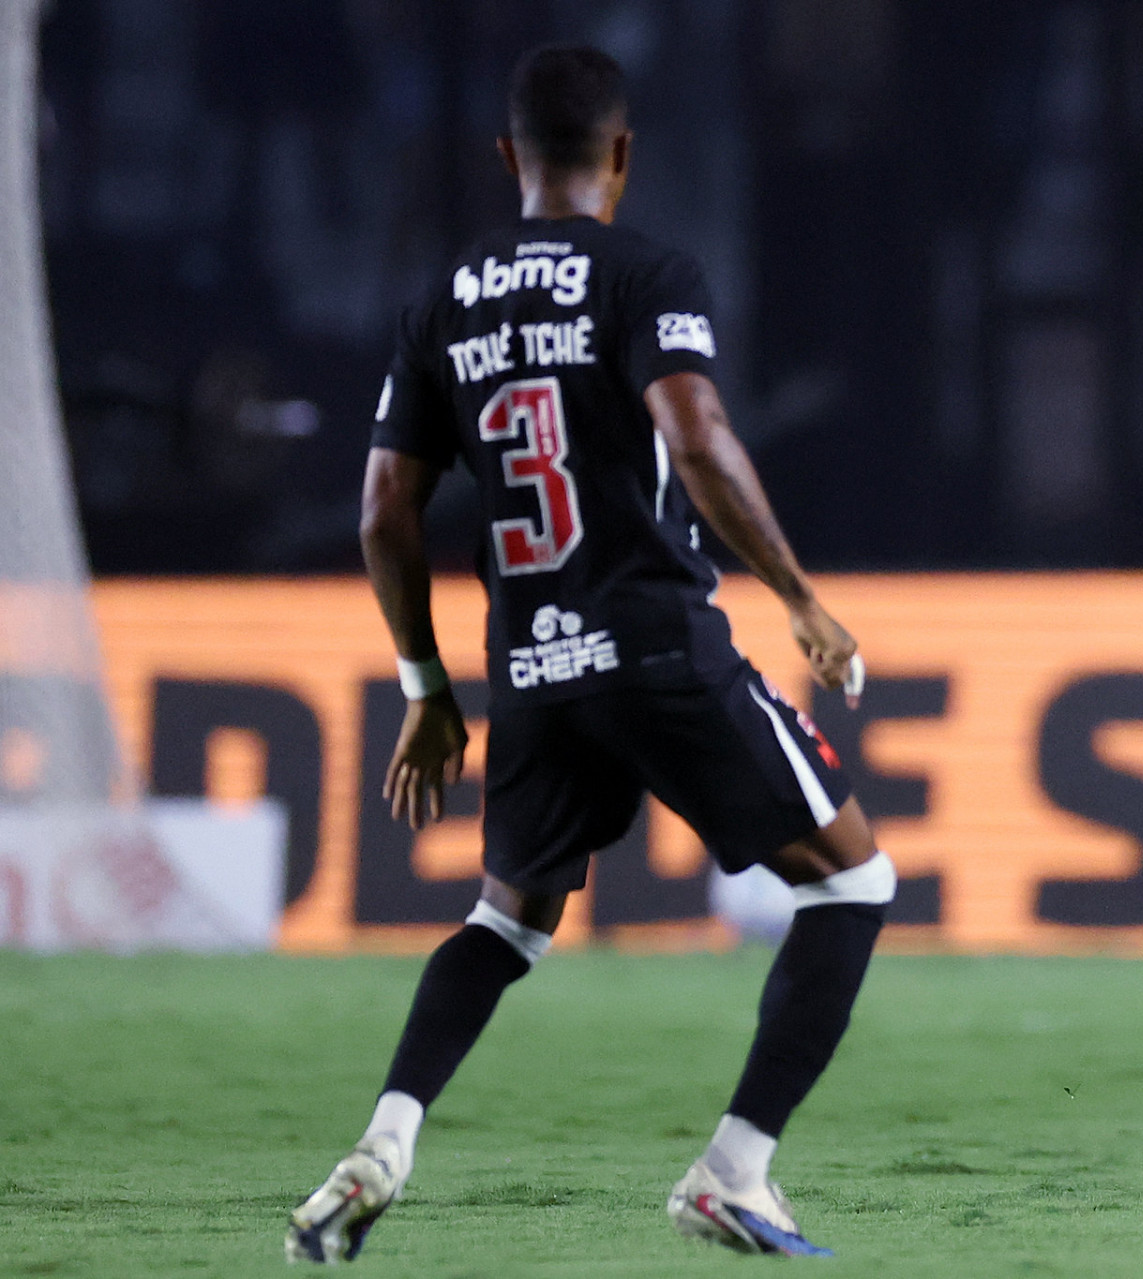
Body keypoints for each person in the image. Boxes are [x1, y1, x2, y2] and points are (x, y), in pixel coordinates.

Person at [286, 45, 893, 1261]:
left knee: (503, 923)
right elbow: (701, 436)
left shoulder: (442, 301)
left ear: (508, 158)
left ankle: (382, 1145)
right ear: (620, 157)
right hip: (658, 644)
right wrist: (799, 596)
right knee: (851, 879)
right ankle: (735, 1170)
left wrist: (425, 686)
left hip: (532, 670)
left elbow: (381, 513)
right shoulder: (646, 273)